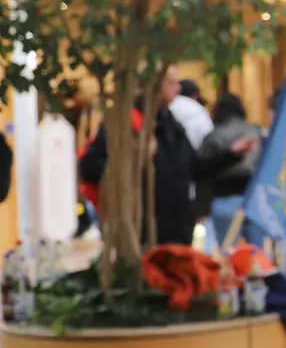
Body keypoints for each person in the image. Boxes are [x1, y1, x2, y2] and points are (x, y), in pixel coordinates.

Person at [79, 65, 201, 246]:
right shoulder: (126, 121)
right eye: (172, 83)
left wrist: (228, 155)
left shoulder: (171, 123)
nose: (179, 88)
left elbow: (193, 165)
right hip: (140, 232)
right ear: (154, 85)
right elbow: (89, 168)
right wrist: (135, 157)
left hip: (176, 231)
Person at [193, 93, 264, 247]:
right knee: (258, 254)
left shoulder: (213, 136)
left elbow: (201, 171)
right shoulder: (256, 132)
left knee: (228, 251)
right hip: (255, 201)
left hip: (224, 199)